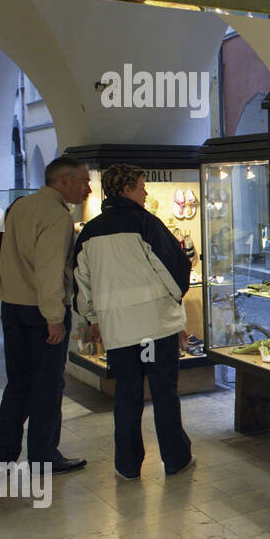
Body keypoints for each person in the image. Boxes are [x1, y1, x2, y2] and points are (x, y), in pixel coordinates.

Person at [73, 164, 194, 478]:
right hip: (155, 329)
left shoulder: (89, 232)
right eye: (142, 186)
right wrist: (177, 302)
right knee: (164, 394)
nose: (146, 192)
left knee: (126, 397)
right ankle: (176, 459)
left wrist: (93, 317)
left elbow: (81, 284)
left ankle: (127, 465)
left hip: (120, 333)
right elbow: (172, 270)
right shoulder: (146, 223)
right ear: (126, 189)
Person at [0, 154, 92, 473]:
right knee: (47, 385)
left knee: (18, 382)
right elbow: (49, 270)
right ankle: (44, 455)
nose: (88, 188)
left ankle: (3, 454)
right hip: (41, 311)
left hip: (14, 307)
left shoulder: (19, 207)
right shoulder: (56, 216)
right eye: (83, 181)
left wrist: (6, 289)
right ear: (63, 181)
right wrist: (53, 317)